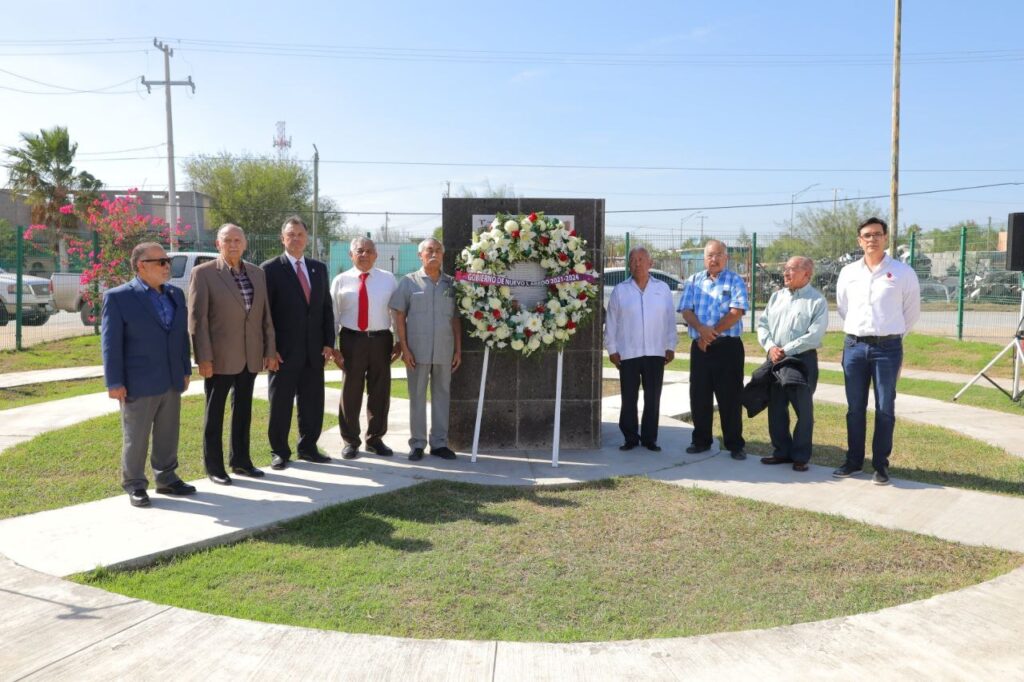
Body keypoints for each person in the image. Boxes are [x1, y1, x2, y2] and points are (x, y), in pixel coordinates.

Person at [102, 242, 197, 507]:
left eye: (167, 261)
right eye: (161, 261)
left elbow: (180, 336)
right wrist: (115, 381)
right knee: (137, 435)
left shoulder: (175, 295)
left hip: (170, 377)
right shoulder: (118, 297)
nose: (167, 266)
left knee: (168, 432)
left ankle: (166, 478)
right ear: (141, 265)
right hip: (138, 381)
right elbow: (111, 344)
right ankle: (134, 483)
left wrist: (185, 369)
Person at [188, 224, 278, 485]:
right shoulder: (203, 274)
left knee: (243, 411)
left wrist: (269, 350)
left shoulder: (257, 274)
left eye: (238, 240)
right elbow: (197, 320)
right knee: (214, 414)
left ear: (245, 243)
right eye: (228, 240)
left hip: (250, 356)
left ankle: (241, 461)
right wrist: (203, 357)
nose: (233, 244)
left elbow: (265, 316)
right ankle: (214, 467)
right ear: (219, 244)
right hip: (219, 358)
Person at [833, 217, 920, 485]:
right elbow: (842, 307)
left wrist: (890, 334)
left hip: (888, 349)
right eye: (867, 235)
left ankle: (880, 465)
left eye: (877, 234)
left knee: (885, 408)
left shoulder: (903, 272)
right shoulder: (848, 272)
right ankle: (853, 461)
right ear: (860, 240)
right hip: (855, 347)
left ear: (885, 238)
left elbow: (911, 312)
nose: (872, 239)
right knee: (855, 408)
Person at [261, 216, 335, 470]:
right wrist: (269, 349)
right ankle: (279, 451)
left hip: (314, 351)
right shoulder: (270, 269)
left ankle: (309, 447)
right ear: (282, 238)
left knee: (313, 402)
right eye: (290, 234)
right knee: (280, 403)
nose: (295, 239)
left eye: (300, 234)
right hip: (283, 352)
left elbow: (326, 308)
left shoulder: (319, 268)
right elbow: (265, 313)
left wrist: (328, 342)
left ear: (307, 238)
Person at [389, 238, 462, 461]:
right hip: (417, 352)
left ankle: (439, 443)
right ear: (420, 255)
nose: (434, 253)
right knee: (417, 397)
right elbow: (398, 315)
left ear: (443, 256)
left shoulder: (452, 284)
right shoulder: (408, 282)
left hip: (444, 350)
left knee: (442, 396)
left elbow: (456, 319)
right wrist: (404, 347)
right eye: (429, 250)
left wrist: (458, 350)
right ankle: (417, 443)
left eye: (438, 250)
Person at [755, 256, 828, 472]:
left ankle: (800, 456)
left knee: (803, 410)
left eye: (792, 269)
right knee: (776, 408)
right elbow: (763, 325)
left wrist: (785, 350)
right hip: (775, 359)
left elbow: (814, 336)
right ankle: (781, 452)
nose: (786, 273)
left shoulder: (817, 301)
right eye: (784, 268)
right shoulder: (776, 297)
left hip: (800, 360)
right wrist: (770, 347)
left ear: (807, 273)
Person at [679, 239, 749, 459]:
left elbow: (736, 312)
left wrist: (711, 334)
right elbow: (686, 310)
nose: (714, 259)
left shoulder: (735, 280)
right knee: (699, 395)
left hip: (728, 347)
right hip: (700, 348)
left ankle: (734, 444)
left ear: (726, 257)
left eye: (718, 254)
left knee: (730, 396)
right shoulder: (693, 281)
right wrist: (701, 329)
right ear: (704, 258)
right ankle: (701, 440)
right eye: (709, 255)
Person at [330, 237, 399, 459]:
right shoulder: (340, 280)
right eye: (359, 251)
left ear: (376, 255)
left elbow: (396, 313)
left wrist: (399, 341)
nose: (364, 254)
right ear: (351, 255)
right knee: (351, 391)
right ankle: (350, 440)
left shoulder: (388, 280)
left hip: (381, 340)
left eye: (369, 251)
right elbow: (333, 316)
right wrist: (333, 346)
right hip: (351, 340)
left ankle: (375, 439)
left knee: (380, 391)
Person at [605, 246, 677, 451]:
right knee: (629, 397)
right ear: (629, 264)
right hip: (628, 352)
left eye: (641, 259)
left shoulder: (662, 289)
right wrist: (611, 349)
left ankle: (649, 438)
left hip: (656, 351)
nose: (637, 263)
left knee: (653, 397)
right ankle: (630, 437)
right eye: (633, 260)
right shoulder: (621, 290)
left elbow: (670, 319)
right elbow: (611, 321)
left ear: (650, 263)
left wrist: (670, 345)